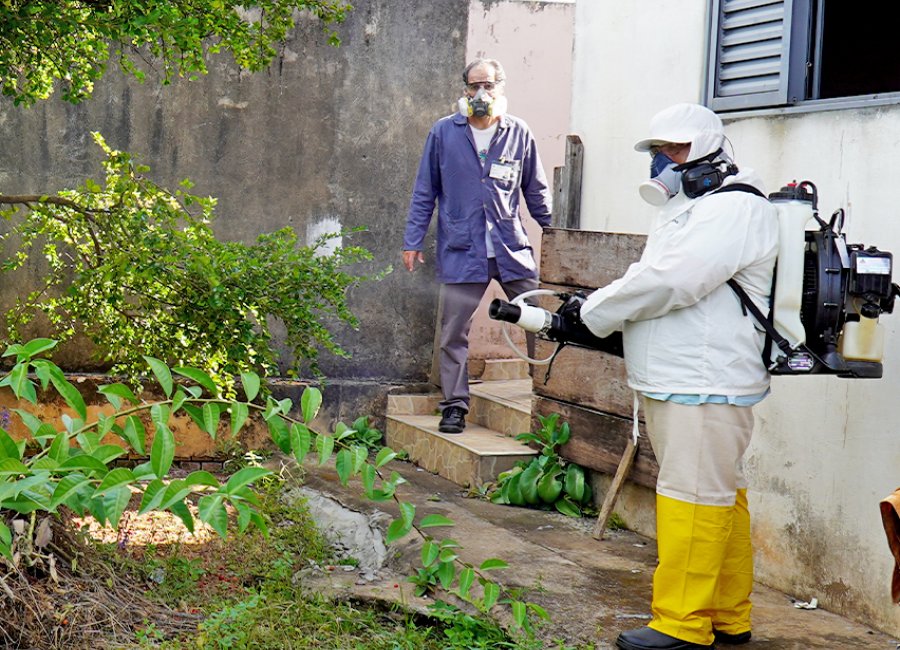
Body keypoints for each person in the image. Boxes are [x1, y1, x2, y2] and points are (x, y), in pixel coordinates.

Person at [579, 103, 780, 650]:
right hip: (687, 379)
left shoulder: (733, 209)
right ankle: (726, 615)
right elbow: (656, 277)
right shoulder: (699, 208)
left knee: (692, 497)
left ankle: (682, 624)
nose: (663, 163)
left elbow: (672, 281)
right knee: (718, 495)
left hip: (705, 380)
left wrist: (594, 310)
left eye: (676, 151)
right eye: (658, 152)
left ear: (711, 153)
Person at [402, 58, 552, 434]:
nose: (480, 93)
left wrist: (556, 233)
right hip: (462, 250)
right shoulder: (444, 133)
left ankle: (548, 399)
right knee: (454, 332)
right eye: (474, 86)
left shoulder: (518, 132)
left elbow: (535, 189)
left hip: (510, 248)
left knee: (541, 320)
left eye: (487, 85)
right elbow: (425, 190)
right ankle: (454, 405)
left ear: (501, 87)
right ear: (465, 90)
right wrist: (413, 240)